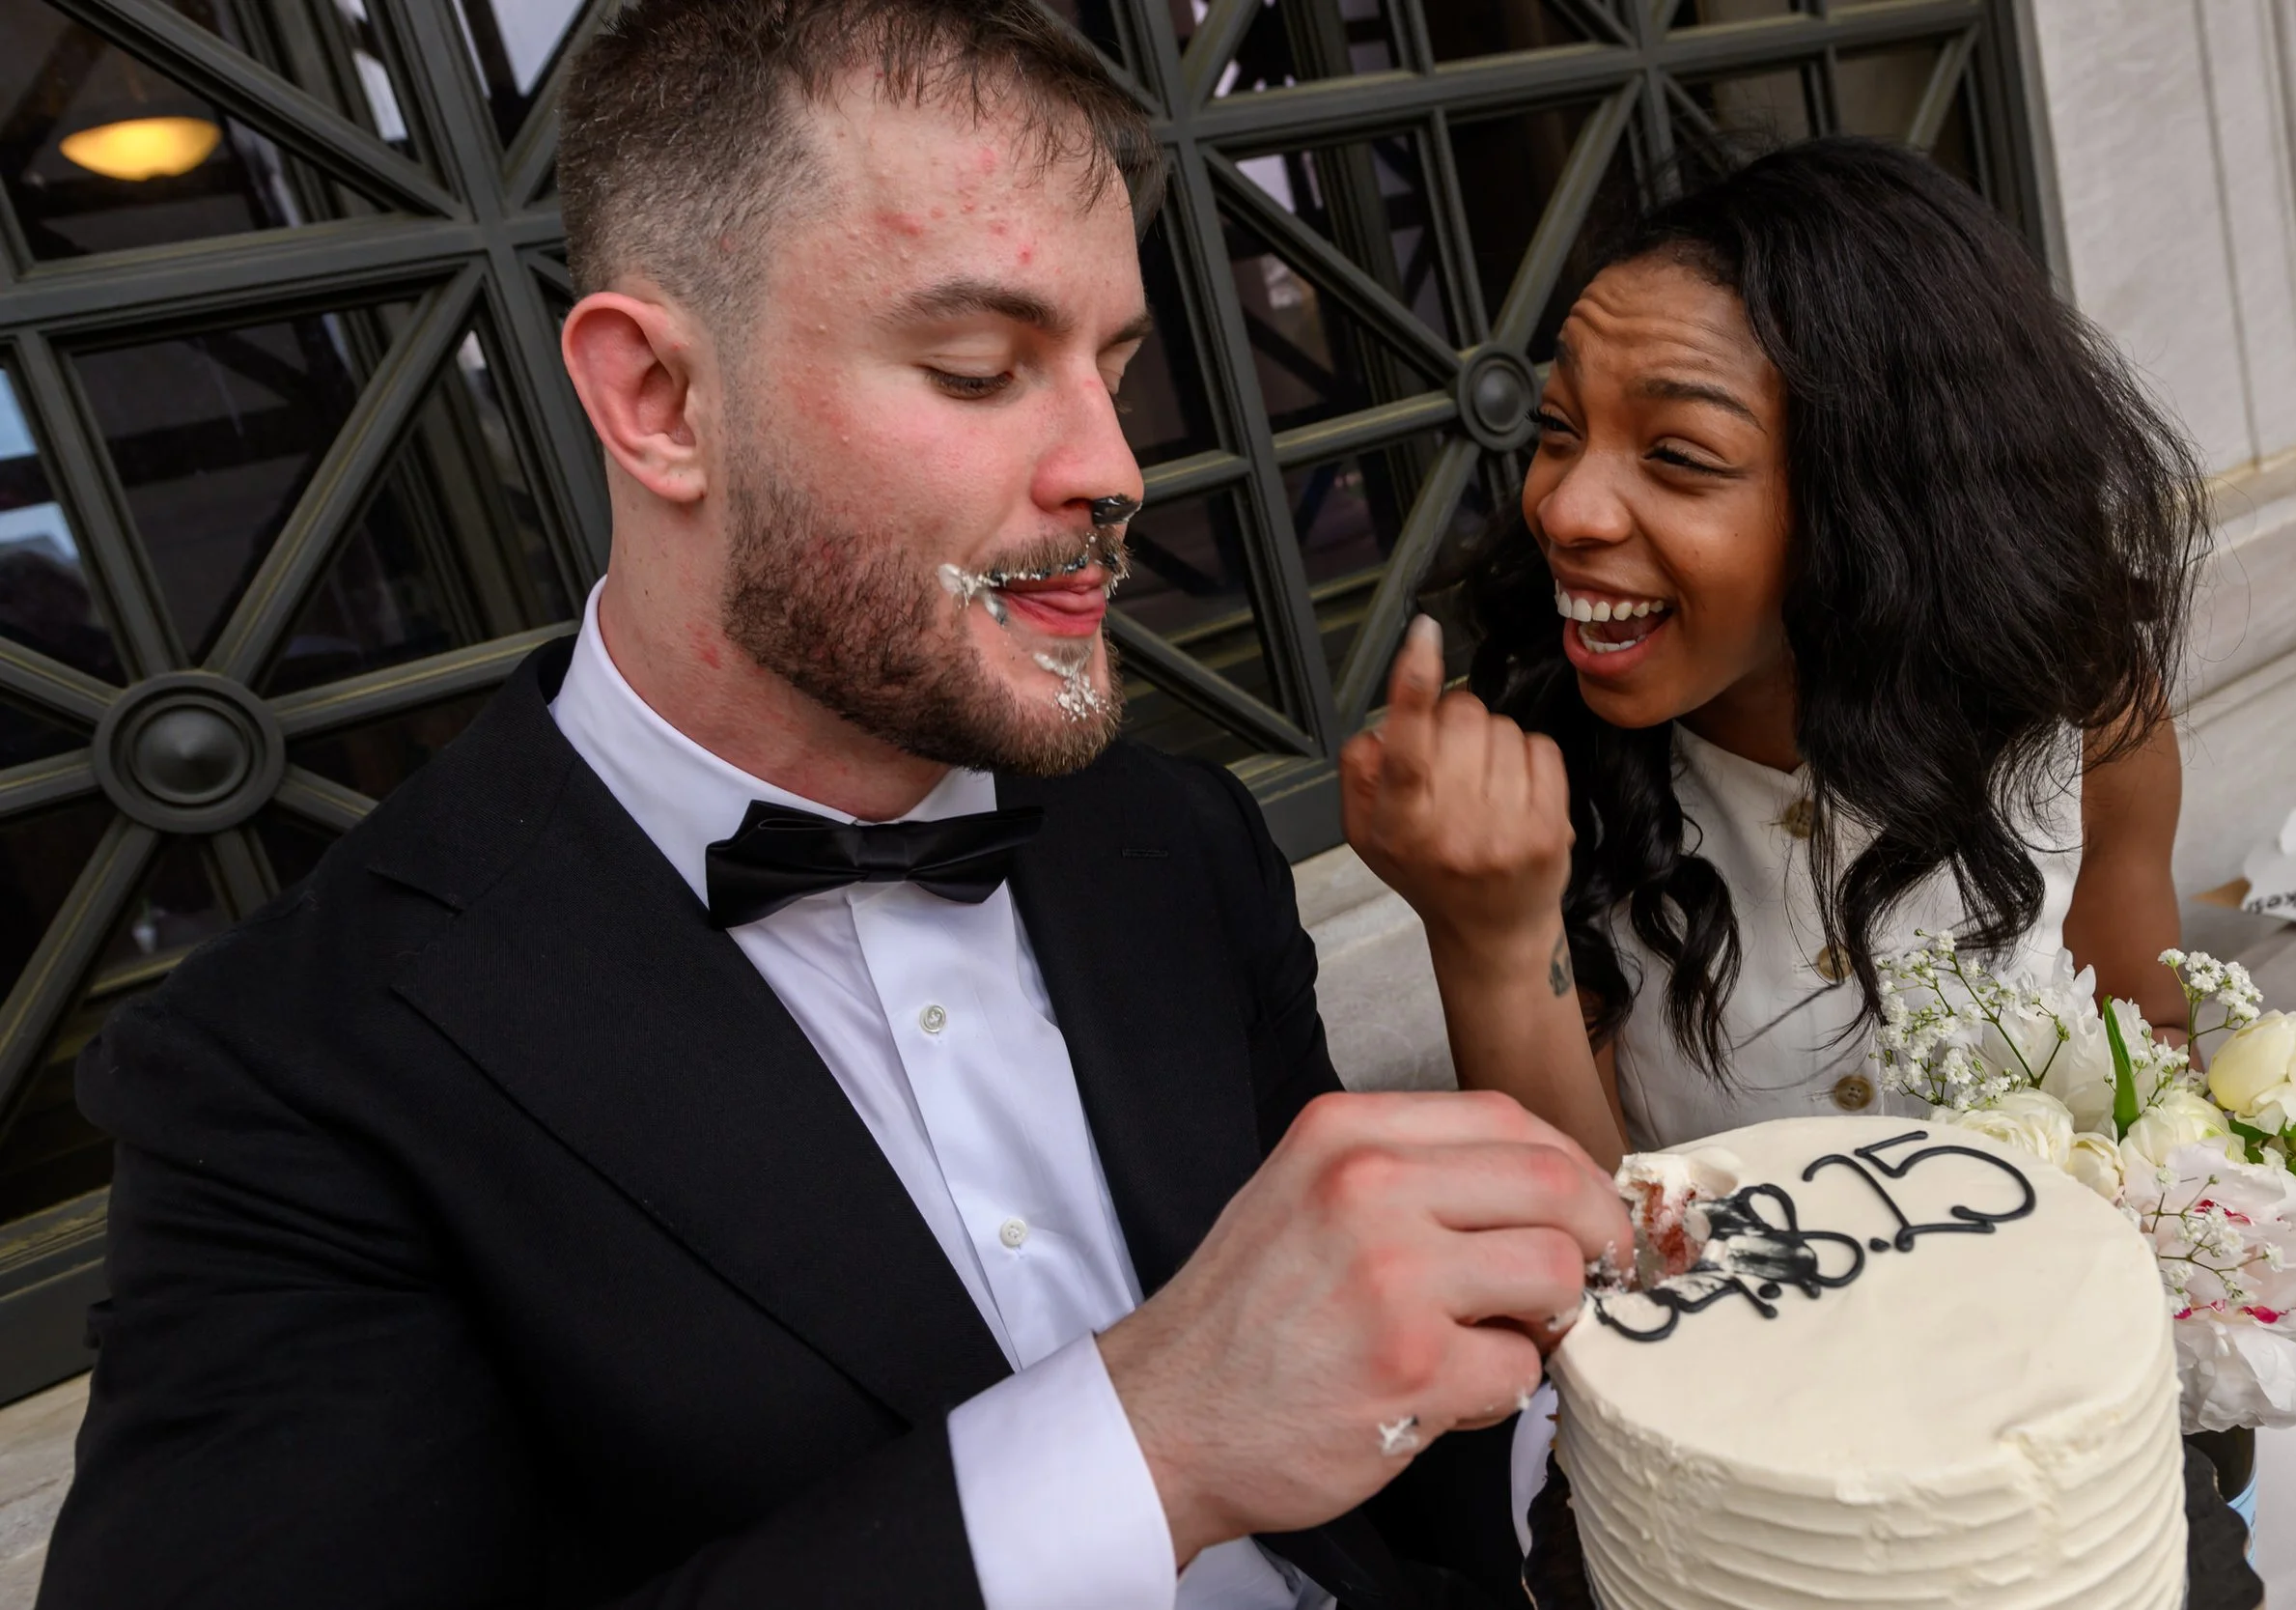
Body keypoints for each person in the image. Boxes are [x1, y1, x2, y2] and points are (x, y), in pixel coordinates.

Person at [36, 5, 1630, 1607]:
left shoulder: (1173, 841)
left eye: (1116, 367)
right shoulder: (282, 1073)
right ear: (658, 397)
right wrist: (1150, 1435)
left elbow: (1391, 1459)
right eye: (978, 368)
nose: (1113, 466)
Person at [1342, 135, 2296, 1599]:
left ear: (1874, 497)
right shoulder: (1553, 783)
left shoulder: (2079, 711)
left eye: (1678, 455)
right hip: (1738, 1530)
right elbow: (1602, 1273)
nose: (1568, 508)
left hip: (2058, 1477)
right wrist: (1490, 931)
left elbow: (2142, 1049)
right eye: (1554, 430)